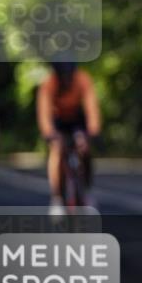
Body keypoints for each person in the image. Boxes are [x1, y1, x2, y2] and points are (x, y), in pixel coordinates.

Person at [36, 62, 102, 213]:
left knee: (85, 150)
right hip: (58, 120)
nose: (66, 79)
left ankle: (87, 191)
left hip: (78, 119)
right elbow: (44, 112)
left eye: (69, 75)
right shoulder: (49, 84)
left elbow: (91, 106)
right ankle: (57, 198)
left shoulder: (82, 79)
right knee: (57, 150)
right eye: (63, 76)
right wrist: (49, 133)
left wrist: (93, 131)